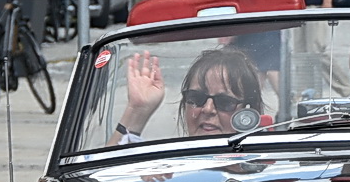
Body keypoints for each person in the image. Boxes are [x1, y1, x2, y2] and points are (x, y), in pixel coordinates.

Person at [109, 47, 266, 143]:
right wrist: (137, 110)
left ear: (248, 113)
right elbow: (108, 179)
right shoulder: (167, 168)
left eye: (225, 102)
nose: (207, 109)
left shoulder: (265, 169)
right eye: (196, 98)